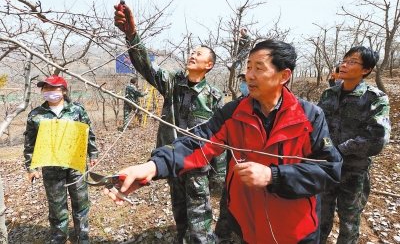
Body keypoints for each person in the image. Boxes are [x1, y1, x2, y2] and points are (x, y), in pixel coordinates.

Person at [105, 40, 343, 243]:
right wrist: (151, 167)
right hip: (247, 229)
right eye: (248, 67)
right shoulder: (234, 112)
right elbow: (197, 143)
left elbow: (328, 170)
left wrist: (274, 176)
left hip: (295, 232)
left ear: (284, 75)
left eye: (259, 68)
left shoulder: (309, 116)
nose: (249, 75)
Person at [114, 5, 229, 243]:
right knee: (181, 218)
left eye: (199, 53)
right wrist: (132, 36)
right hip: (172, 164)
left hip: (198, 167)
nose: (192, 55)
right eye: (192, 52)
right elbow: (146, 66)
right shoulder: (172, 83)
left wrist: (219, 176)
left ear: (209, 65)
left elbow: (220, 137)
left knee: (200, 223)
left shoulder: (214, 96)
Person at [318, 46, 391, 244]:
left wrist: (340, 150)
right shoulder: (328, 95)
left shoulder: (375, 98)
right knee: (319, 218)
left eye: (352, 62)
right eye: (344, 60)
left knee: (349, 223)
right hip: (325, 168)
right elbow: (316, 127)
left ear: (366, 70)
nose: (344, 64)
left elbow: (378, 138)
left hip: (353, 172)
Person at [24, 75, 99, 244]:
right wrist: (31, 168)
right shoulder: (36, 115)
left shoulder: (77, 111)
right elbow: (30, 144)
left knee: (81, 203)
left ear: (64, 91)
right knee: (57, 207)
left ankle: (83, 237)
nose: (48, 92)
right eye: (45, 89)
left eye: (53, 88)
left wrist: (93, 154)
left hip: (76, 165)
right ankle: (59, 237)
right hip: (51, 166)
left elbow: (89, 134)